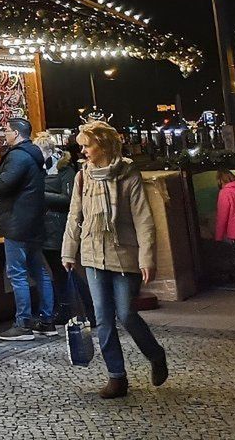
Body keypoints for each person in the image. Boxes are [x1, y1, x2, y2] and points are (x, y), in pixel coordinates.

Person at [62, 119, 167, 399]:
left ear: (104, 145)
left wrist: (147, 258)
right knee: (104, 319)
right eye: (81, 146)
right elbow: (76, 216)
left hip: (124, 254)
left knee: (127, 313)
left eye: (88, 145)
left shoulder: (127, 174)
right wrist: (68, 252)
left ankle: (155, 355)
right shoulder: (82, 176)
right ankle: (117, 377)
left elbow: (143, 218)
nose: (82, 151)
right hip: (93, 254)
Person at [0, 117, 55, 340]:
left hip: (17, 224)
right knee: (39, 271)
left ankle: (23, 324)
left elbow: (7, 184)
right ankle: (47, 320)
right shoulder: (32, 154)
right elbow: (14, 178)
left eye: (7, 131)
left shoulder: (19, 155)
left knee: (18, 274)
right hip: (32, 223)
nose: (5, 134)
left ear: (17, 133)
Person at [36, 132, 95, 323]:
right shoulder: (42, 170)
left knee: (68, 271)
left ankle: (90, 311)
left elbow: (68, 199)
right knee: (59, 272)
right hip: (47, 228)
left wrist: (40, 194)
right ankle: (66, 311)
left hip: (59, 228)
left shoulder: (65, 171)